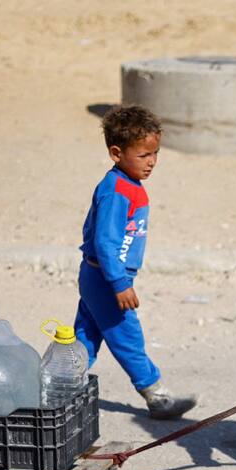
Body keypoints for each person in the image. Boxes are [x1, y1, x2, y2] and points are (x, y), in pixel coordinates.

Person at [74, 105, 197, 419]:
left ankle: (58, 387)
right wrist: (119, 283)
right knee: (127, 337)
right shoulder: (116, 192)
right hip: (105, 278)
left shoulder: (128, 186)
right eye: (144, 155)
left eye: (155, 153)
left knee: (85, 336)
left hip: (98, 276)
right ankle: (156, 395)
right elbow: (105, 242)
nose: (152, 162)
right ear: (116, 153)